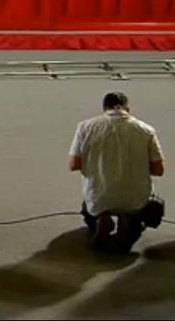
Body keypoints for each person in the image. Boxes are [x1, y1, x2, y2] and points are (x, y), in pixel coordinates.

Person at [69, 92, 165, 253]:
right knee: (149, 209)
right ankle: (130, 224)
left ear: (104, 108)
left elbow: (74, 165)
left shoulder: (85, 127)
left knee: (88, 209)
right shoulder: (146, 130)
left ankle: (101, 220)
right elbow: (158, 170)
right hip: (135, 200)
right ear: (127, 108)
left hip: (99, 197)